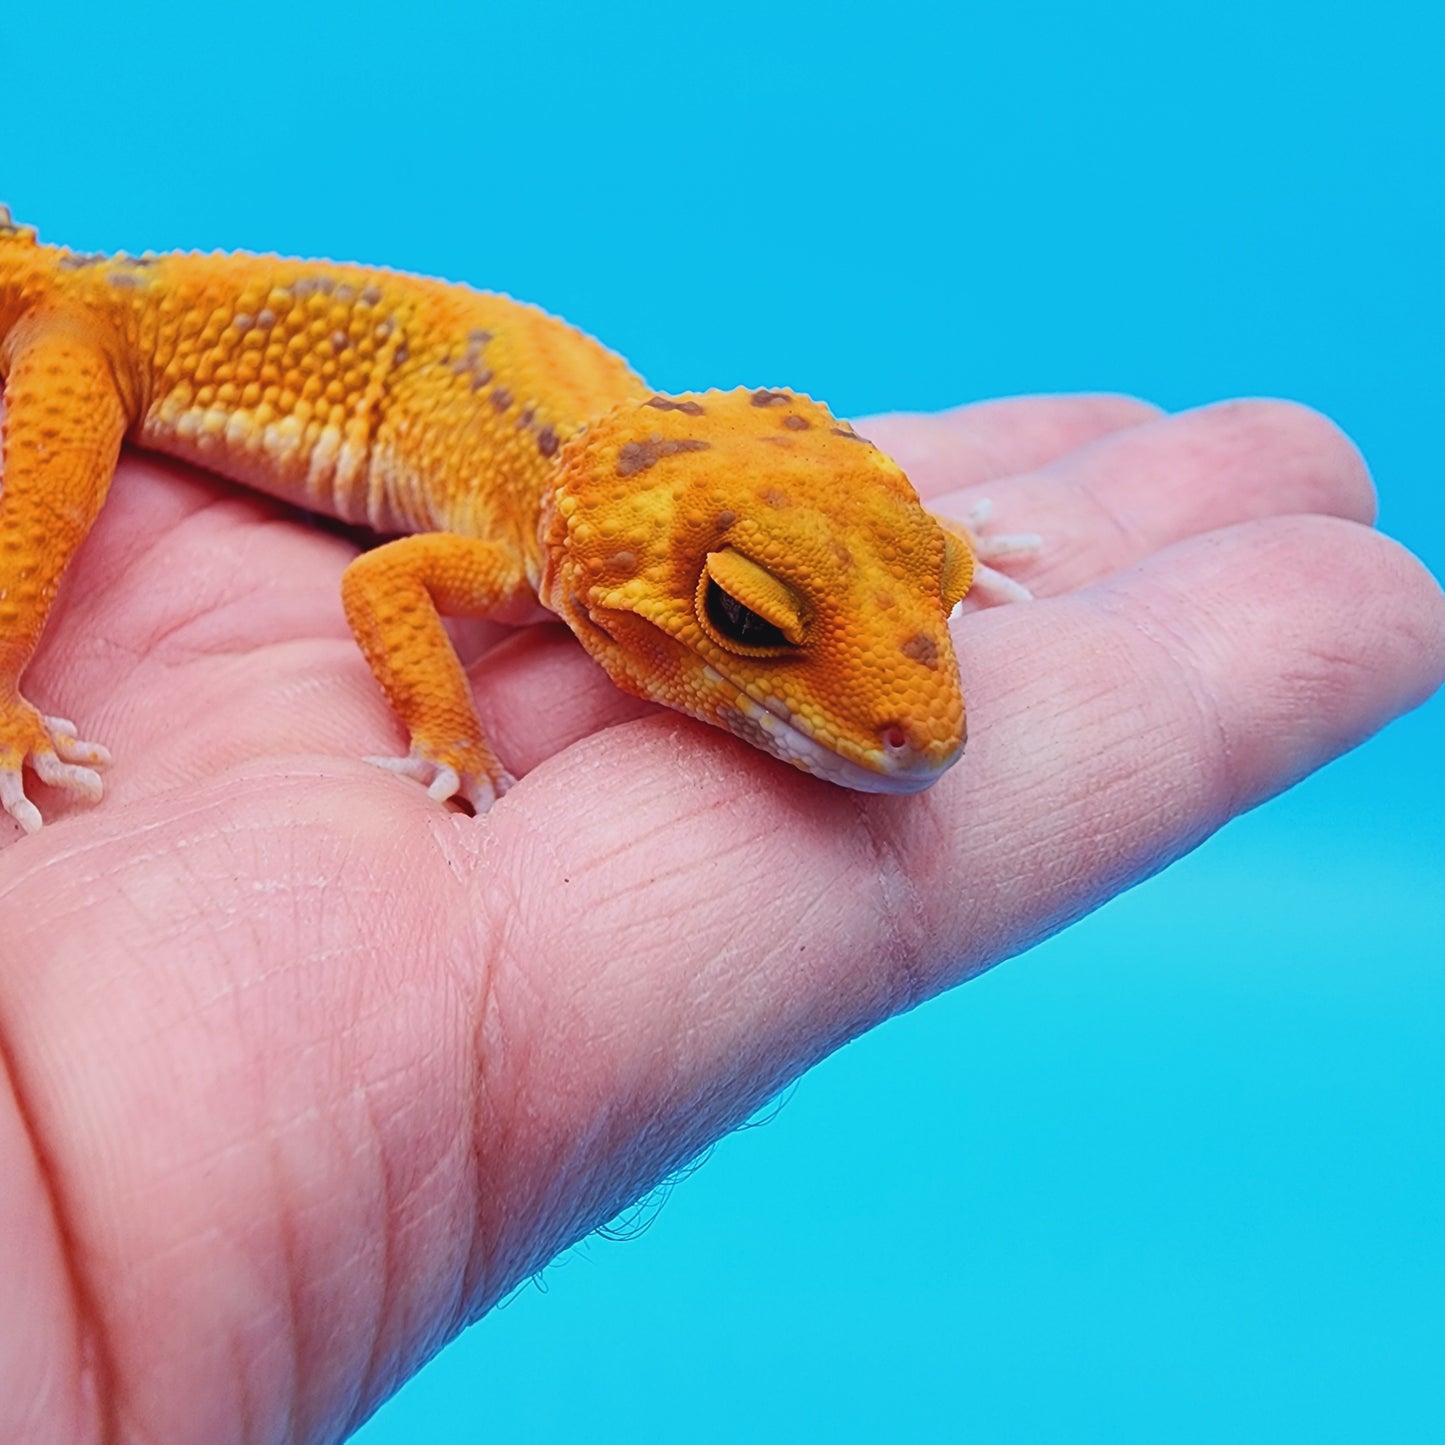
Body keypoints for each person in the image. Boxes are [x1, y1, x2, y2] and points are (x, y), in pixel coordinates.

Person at [1, 394, 1440, 1443]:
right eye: (752, 618)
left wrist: (911, 561)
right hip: (111, 321)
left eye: (927, 588)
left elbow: (837, 534)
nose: (918, 726)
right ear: (586, 568)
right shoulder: (524, 557)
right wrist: (451, 730)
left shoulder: (661, 517)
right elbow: (389, 580)